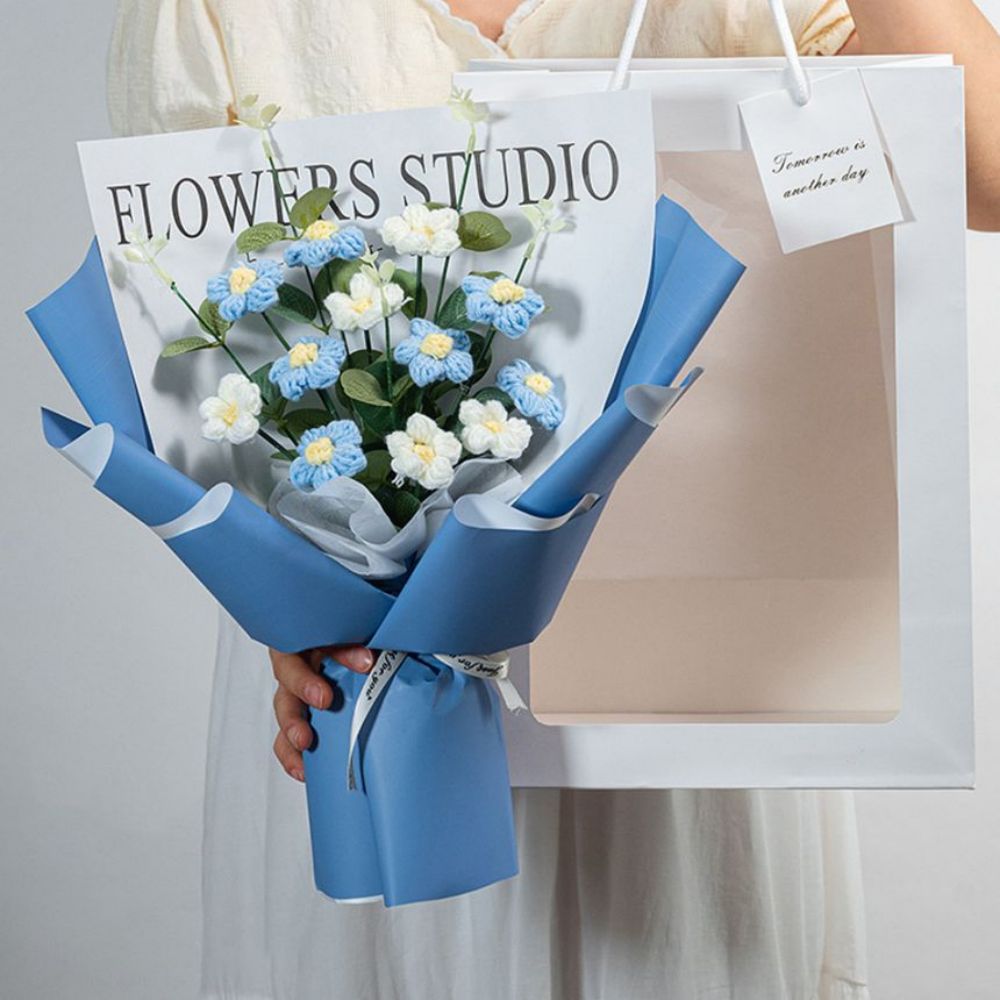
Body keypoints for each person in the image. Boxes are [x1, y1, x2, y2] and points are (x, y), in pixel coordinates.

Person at [108, 3, 1000, 998]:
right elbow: (182, 330)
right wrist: (276, 596)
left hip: (695, 666)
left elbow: (988, 169)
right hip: (358, 671)